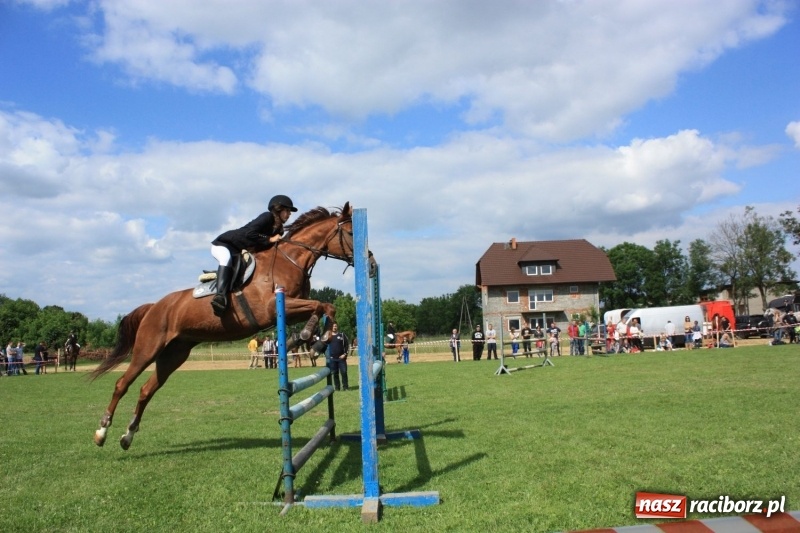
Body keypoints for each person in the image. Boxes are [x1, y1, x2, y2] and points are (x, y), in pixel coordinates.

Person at [209, 194, 298, 316]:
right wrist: (270, 239)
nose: (289, 214)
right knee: (226, 258)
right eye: (287, 210)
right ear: (278, 209)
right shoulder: (267, 217)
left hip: (237, 251)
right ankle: (220, 297)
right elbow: (249, 233)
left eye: (289, 212)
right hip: (223, 244)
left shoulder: (278, 229)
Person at [326, 322, 349, 391]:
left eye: (335, 326)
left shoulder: (342, 335)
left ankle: (345, 387)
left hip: (341, 358)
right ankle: (337, 388)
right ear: (331, 327)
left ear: (337, 327)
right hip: (333, 359)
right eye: (333, 326)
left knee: (344, 372)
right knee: (335, 374)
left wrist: (344, 354)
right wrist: (329, 356)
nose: (334, 327)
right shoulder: (329, 336)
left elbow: (347, 345)